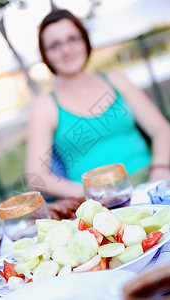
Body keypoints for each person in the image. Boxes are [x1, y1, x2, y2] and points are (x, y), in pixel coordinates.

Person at [26, 9, 170, 198]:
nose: (66, 50)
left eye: (73, 39)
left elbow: (161, 129)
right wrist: (90, 195)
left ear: (85, 41)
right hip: (99, 205)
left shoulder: (116, 80)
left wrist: (159, 168)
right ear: (45, 55)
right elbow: (36, 175)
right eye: (55, 45)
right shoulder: (44, 104)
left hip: (152, 185)